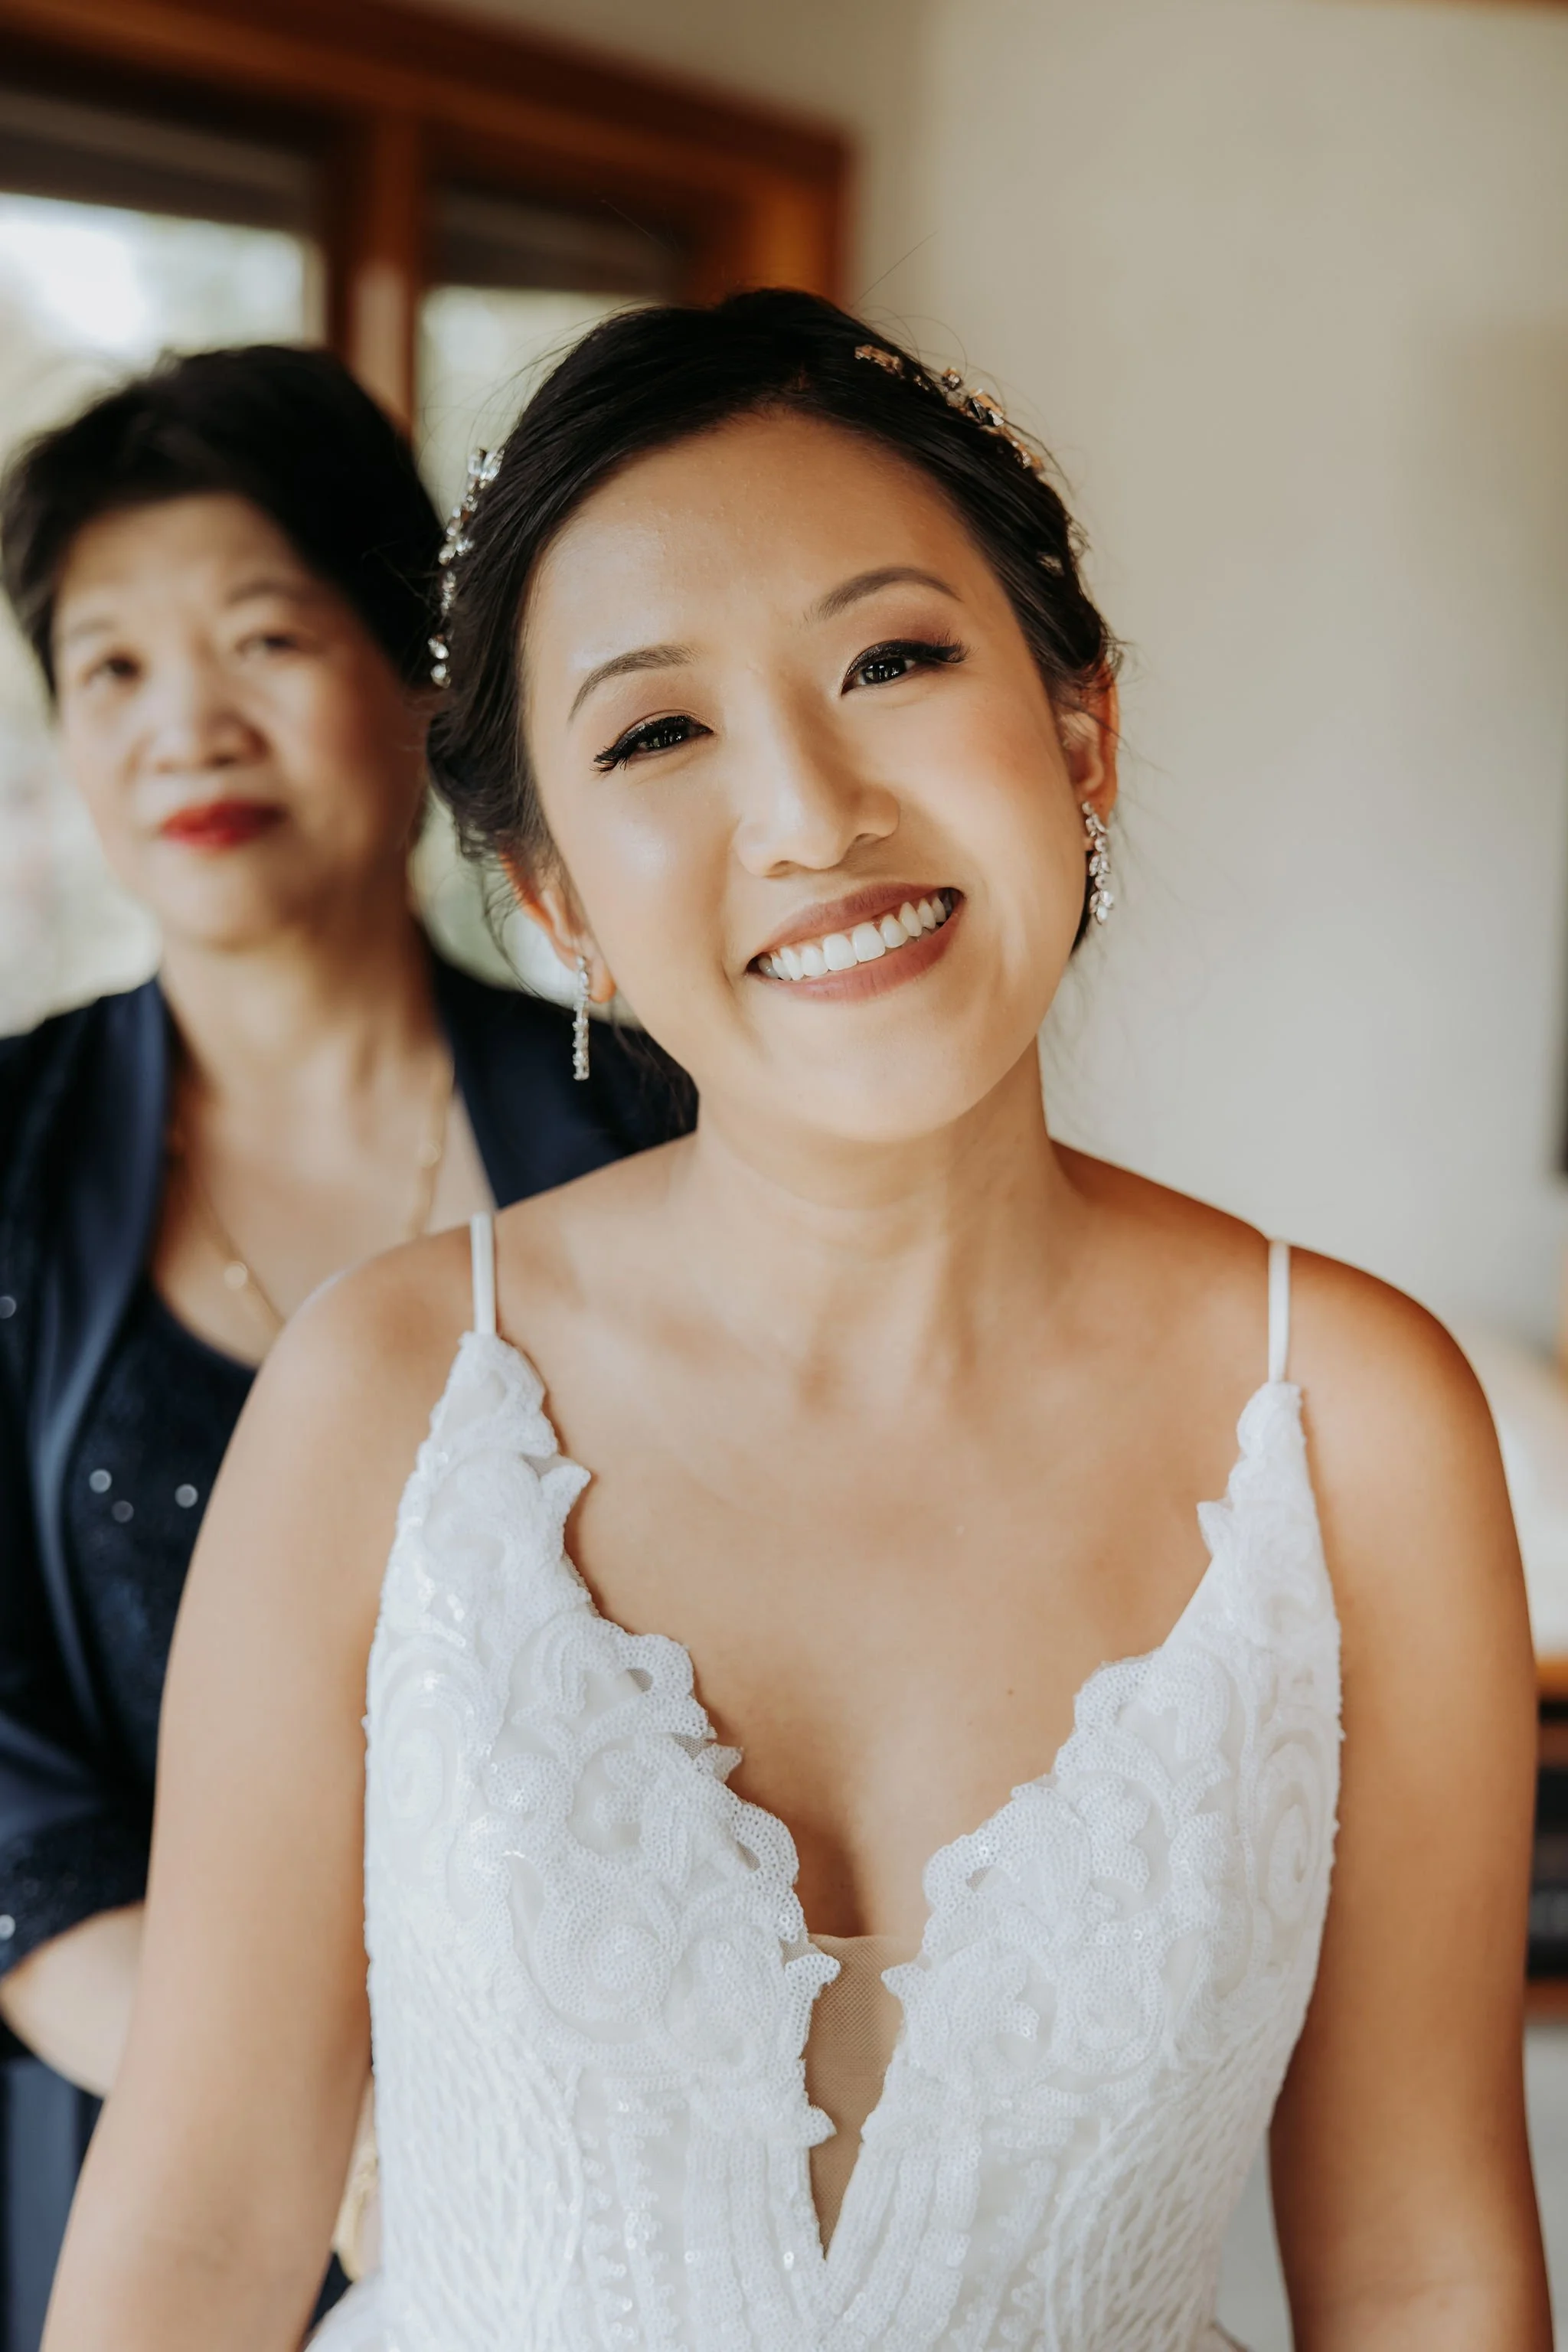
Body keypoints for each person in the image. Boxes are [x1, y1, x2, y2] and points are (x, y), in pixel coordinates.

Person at [46, 292, 1549, 2350]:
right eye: (658, 732)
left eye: (897, 658)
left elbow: (1426, 2266)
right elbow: (203, 2235)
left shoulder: (1358, 1421)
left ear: (1081, 725)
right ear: (553, 894)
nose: (813, 810)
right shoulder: (390, 1391)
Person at [0, 345, 690, 2348]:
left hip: (637, 2153)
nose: (181, 725)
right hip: (136, 2177)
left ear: (422, 680)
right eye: (108, 668)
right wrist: (355, 2144)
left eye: (259, 637)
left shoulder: (656, 1111)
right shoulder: (13, 1171)